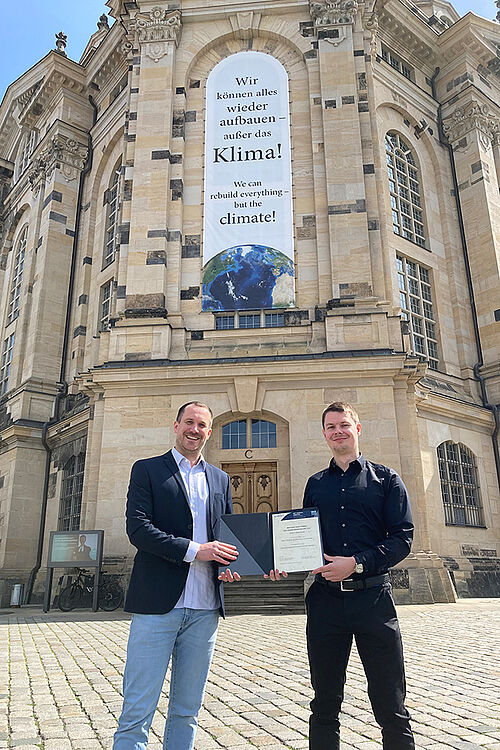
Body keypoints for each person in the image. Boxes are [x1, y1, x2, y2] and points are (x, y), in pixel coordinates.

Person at [113, 401, 239, 750]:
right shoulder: (148, 470)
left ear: (209, 432)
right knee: (137, 709)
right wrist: (197, 551)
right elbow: (138, 530)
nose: (194, 430)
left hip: (205, 609)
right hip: (157, 606)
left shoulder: (220, 478)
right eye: (188, 422)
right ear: (175, 425)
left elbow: (225, 536)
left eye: (201, 425)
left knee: (187, 710)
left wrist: (228, 567)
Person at [303, 401, 415, 750]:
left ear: (357, 429)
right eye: (331, 426)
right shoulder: (315, 484)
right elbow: (305, 538)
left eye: (344, 425)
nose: (338, 431)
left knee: (390, 702)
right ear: (324, 434)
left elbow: (403, 539)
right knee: (324, 701)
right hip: (325, 602)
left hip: (373, 600)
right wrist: (283, 561)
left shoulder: (386, 479)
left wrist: (357, 563)